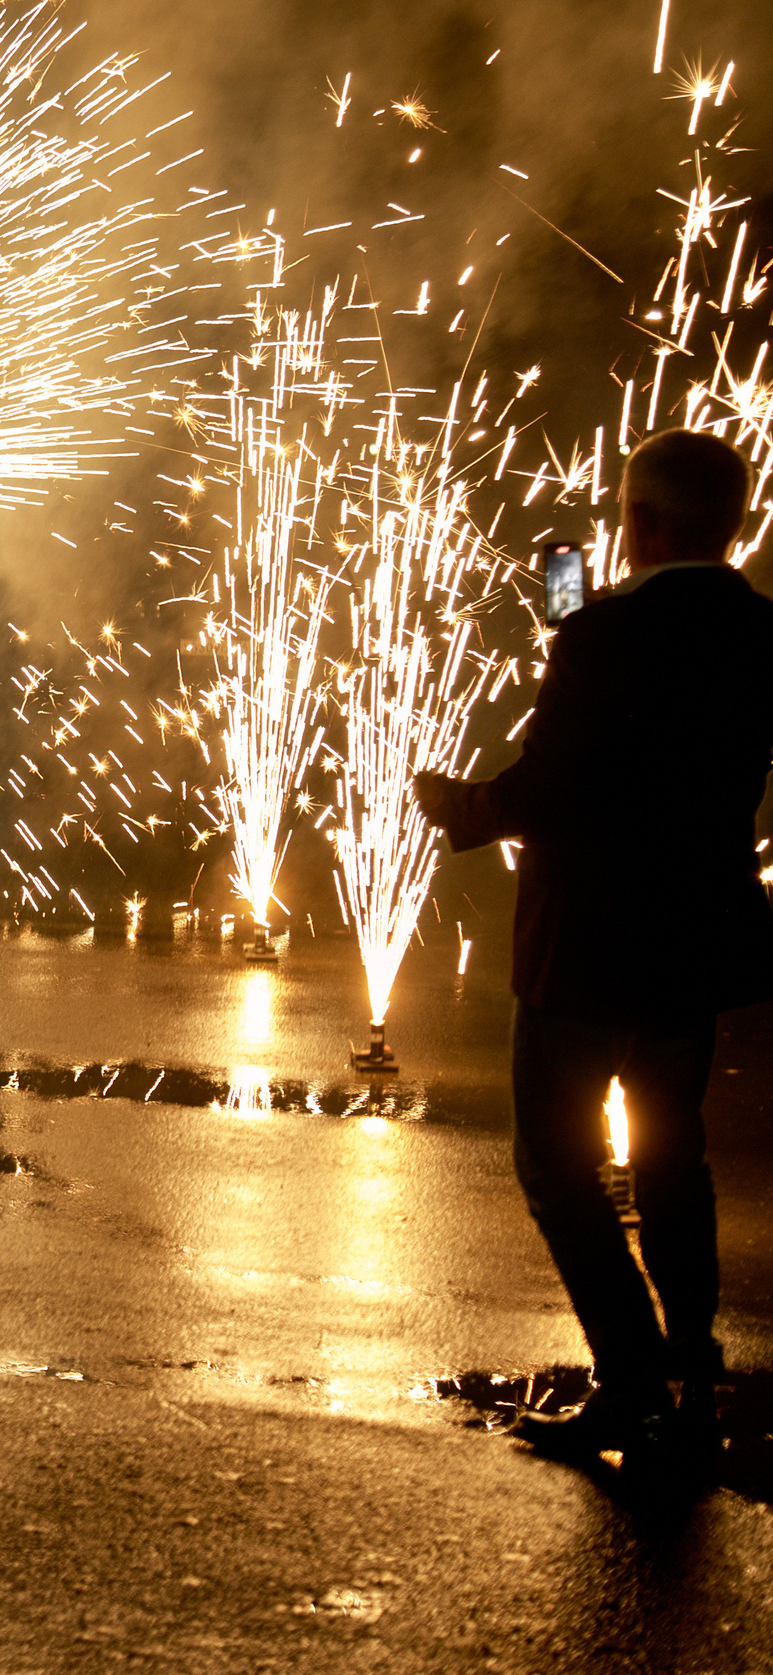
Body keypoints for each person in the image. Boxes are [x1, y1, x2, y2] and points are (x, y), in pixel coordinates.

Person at [416, 426, 773, 1471]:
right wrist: (578, 634)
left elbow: (557, 777)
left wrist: (463, 807)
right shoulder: (760, 634)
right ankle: (692, 1365)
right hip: (692, 946)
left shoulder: (597, 638)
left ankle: (630, 1385)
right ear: (736, 523)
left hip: (585, 951)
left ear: (641, 522)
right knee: (671, 1156)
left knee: (559, 1168)